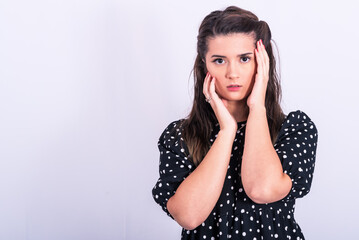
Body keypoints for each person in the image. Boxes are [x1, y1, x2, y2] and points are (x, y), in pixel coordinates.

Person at [152, 6, 318, 240]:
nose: (233, 73)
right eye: (219, 60)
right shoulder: (180, 135)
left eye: (244, 58)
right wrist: (227, 131)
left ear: (262, 62)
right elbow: (188, 216)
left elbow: (262, 189)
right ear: (204, 65)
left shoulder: (293, 129)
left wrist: (257, 107)